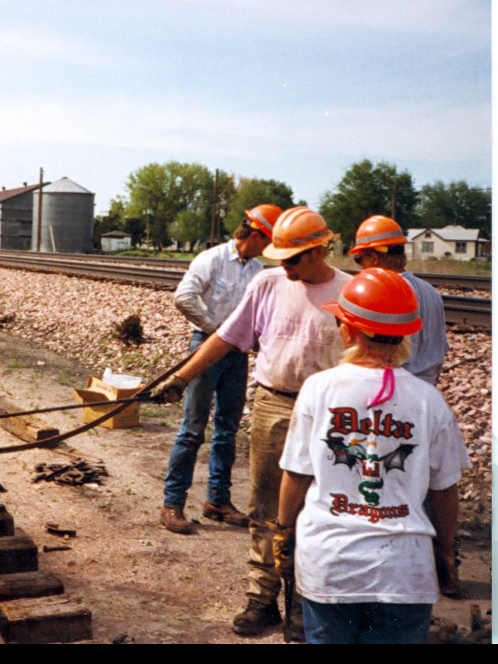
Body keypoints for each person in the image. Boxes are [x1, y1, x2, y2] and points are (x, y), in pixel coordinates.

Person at [152, 206, 351, 637]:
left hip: (331, 416)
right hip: (274, 405)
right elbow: (225, 337)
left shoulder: (350, 292)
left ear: (319, 250)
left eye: (293, 258)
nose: (284, 264)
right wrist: (181, 378)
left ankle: (304, 604)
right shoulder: (268, 283)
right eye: (280, 255)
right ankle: (262, 599)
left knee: (320, 510)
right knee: (266, 507)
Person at [273, 267, 469, 644]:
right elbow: (445, 490)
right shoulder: (429, 401)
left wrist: (283, 533)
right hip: (403, 571)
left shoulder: (319, 388)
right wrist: (446, 552)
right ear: (405, 334)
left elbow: (296, 475)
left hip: (330, 564)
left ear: (349, 329)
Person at [161, 204, 283, 534]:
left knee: (227, 431)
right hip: (205, 347)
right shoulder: (212, 259)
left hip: (237, 355)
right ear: (256, 235)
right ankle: (172, 504)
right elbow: (184, 297)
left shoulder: (257, 270)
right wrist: (216, 331)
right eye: (268, 242)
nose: (269, 251)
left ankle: (218, 501)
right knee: (193, 428)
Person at [347, 215, 448, 385]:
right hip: (427, 388)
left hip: (395, 389)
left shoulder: (385, 293)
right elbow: (441, 348)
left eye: (360, 259)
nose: (361, 266)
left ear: (373, 257)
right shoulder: (431, 292)